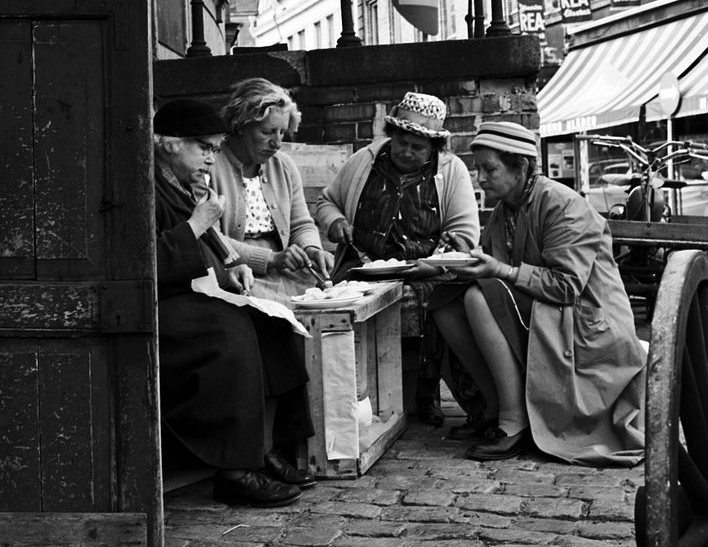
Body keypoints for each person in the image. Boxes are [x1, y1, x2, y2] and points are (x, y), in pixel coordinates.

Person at [430, 121, 646, 466]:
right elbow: (494, 267)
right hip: (547, 313)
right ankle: (495, 405)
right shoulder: (506, 210)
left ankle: (513, 421)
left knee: (477, 296)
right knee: (445, 302)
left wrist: (500, 270)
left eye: (490, 169)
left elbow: (567, 286)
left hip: (587, 321)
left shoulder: (562, 204)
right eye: (478, 169)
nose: (481, 178)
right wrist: (459, 257)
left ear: (522, 168)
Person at [153, 98, 315, 506]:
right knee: (230, 331)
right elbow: (146, 260)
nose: (211, 158)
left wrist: (232, 268)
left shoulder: (179, 181)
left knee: (273, 322)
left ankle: (268, 447)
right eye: (204, 148)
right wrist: (197, 223)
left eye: (213, 148)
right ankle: (234, 469)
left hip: (188, 292)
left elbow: (211, 245)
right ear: (172, 143)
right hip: (157, 301)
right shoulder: (146, 187)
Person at [315, 91, 482, 426]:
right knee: (347, 304)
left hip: (426, 268)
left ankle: (423, 394)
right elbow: (327, 202)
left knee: (433, 302)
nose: (406, 152)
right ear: (391, 136)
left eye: (417, 147)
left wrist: (443, 254)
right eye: (401, 142)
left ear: (434, 148)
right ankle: (362, 395)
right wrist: (335, 223)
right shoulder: (364, 161)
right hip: (362, 265)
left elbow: (465, 235)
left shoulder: (452, 171)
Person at [210, 78, 334, 302]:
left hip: (284, 270)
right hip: (237, 271)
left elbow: (301, 224)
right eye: (268, 132)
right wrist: (271, 259)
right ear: (241, 124)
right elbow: (213, 238)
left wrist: (312, 249)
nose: (277, 143)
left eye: (282, 133)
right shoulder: (211, 164)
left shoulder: (283, 165)